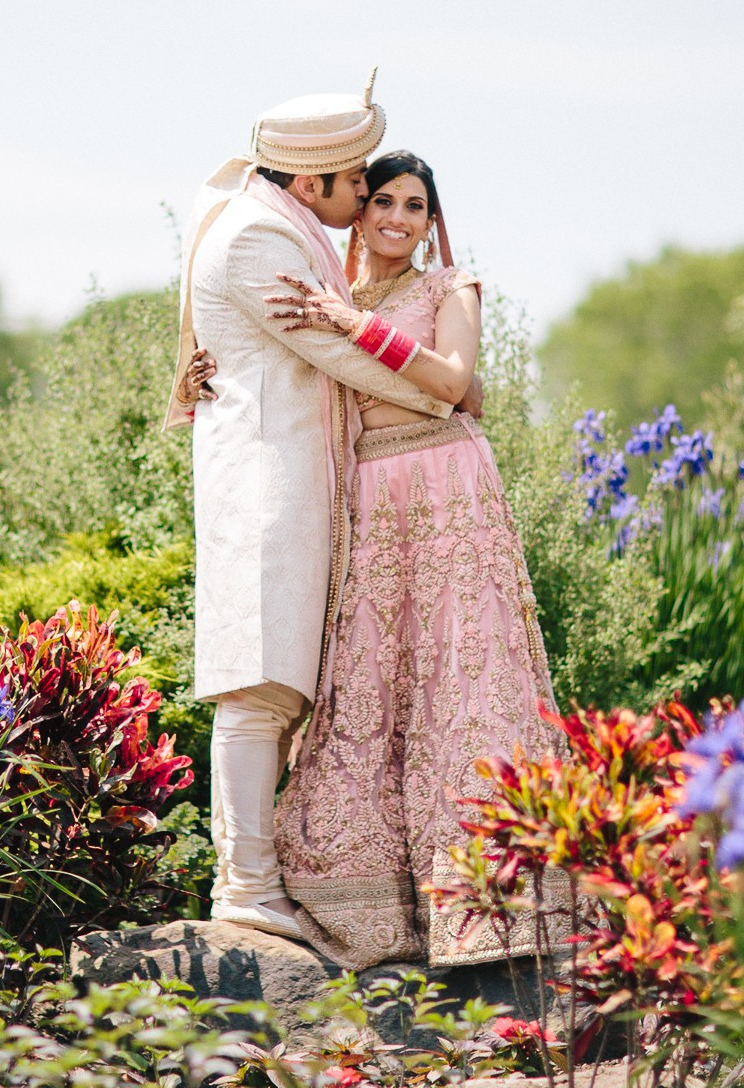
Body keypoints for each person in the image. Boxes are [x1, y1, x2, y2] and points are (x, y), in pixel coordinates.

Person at [240, 151, 564, 969]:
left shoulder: (449, 288)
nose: (396, 218)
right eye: (382, 199)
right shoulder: (335, 291)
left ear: (431, 220)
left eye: (415, 206)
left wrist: (353, 326)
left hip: (448, 483)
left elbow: (455, 382)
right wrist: (212, 376)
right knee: (374, 676)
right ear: (360, 207)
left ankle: (487, 908)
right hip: (372, 498)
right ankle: (376, 913)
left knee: (461, 675)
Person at [165, 79, 462, 941]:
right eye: (355, 184)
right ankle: (244, 885)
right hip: (267, 488)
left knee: (276, 689)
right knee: (257, 688)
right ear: (310, 182)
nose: (364, 198)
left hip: (291, 485)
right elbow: (331, 350)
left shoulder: (264, 214)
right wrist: (438, 396)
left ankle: (255, 878)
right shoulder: (260, 233)